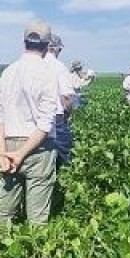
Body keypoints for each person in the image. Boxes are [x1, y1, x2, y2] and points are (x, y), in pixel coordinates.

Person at [0, 20, 59, 226]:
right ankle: (37, 255)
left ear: (24, 43)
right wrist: (21, 155)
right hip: (39, 148)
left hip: (8, 144)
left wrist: (3, 152)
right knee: (37, 219)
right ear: (47, 47)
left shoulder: (8, 72)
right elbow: (45, 123)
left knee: (6, 213)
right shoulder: (48, 73)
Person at [45, 34, 76, 166]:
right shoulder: (59, 67)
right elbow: (67, 97)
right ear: (55, 49)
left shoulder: (32, 65)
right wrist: (68, 114)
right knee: (63, 151)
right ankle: (63, 177)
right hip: (55, 117)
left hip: (32, 118)